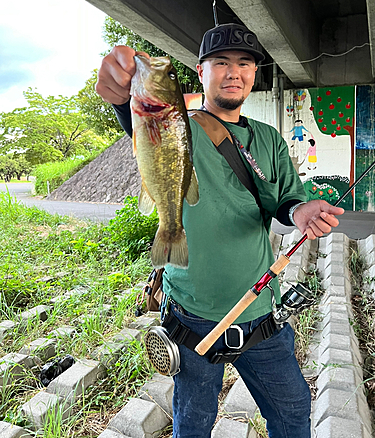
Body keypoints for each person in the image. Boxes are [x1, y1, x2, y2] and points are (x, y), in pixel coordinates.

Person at [96, 23, 344, 438]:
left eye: (245, 64)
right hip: (188, 317)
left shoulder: (269, 139)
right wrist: (123, 94)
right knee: (192, 422)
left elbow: (284, 201)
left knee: (294, 411)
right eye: (222, 63)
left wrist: (301, 212)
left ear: (253, 75)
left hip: (261, 314)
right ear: (200, 72)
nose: (235, 72)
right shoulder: (179, 124)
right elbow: (146, 123)